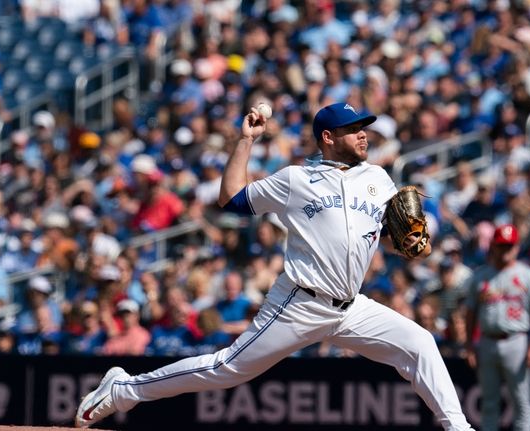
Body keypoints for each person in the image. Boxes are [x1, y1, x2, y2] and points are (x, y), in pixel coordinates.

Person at [75, 102, 473, 430]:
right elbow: (231, 199)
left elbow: (390, 233)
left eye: (364, 126)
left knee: (420, 343)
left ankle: (458, 427)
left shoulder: (379, 178)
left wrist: (410, 240)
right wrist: (245, 142)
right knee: (228, 368)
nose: (363, 134)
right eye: (353, 129)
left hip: (351, 307)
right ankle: (124, 389)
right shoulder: (296, 179)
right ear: (328, 138)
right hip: (300, 302)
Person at [464, 224, 530, 431]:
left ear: (517, 248)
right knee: (489, 401)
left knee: (521, 399)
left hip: (516, 340)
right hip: (487, 340)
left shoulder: (527, 275)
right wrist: (469, 345)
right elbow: (470, 312)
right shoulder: (481, 276)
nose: (506, 251)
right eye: (502, 246)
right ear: (493, 246)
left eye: (509, 246)